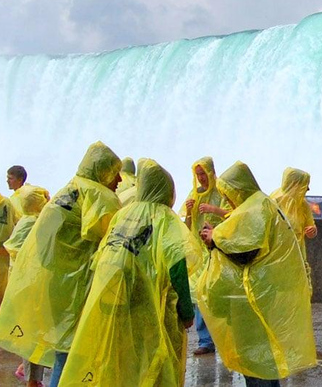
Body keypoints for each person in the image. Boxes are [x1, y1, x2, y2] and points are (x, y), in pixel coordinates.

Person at [58, 160, 196, 386]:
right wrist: (186, 310)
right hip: (149, 303)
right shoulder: (165, 218)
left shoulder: (123, 215)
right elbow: (177, 268)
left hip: (115, 301)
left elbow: (102, 256)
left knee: (123, 364)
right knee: (156, 363)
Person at [0, 142, 122, 387]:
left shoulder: (66, 191)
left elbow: (43, 241)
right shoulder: (99, 197)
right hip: (79, 288)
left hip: (55, 285)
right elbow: (112, 249)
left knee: (62, 351)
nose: (119, 179)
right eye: (114, 171)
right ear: (102, 170)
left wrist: (59, 272)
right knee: (78, 355)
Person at [197, 161, 316, 386]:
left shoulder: (255, 208)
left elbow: (247, 251)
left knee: (256, 359)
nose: (228, 199)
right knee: (264, 358)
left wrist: (214, 240)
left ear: (237, 189)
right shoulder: (259, 204)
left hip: (254, 297)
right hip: (264, 292)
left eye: (229, 193)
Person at [178, 156, 231, 356]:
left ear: (211, 172)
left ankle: (224, 339)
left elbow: (235, 215)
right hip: (200, 251)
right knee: (199, 293)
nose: (200, 178)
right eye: (197, 174)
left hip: (219, 249)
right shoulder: (195, 194)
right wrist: (190, 212)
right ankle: (205, 340)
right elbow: (187, 226)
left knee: (218, 294)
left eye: (203, 174)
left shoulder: (223, 191)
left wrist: (213, 210)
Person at [4, 185, 50, 387]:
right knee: (35, 332)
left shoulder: (24, 221)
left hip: (22, 285)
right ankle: (32, 379)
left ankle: (28, 372)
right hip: (32, 287)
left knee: (31, 332)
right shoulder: (37, 224)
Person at [270, 167, 317, 291]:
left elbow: (311, 227)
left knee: (299, 287)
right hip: (278, 254)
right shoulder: (275, 201)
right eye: (304, 185)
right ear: (295, 184)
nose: (308, 189)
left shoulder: (303, 205)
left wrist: (312, 230)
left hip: (297, 254)